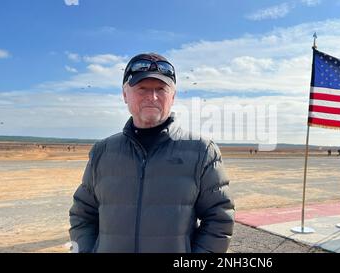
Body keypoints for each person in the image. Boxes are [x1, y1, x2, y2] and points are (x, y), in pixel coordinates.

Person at [69, 53, 235, 253]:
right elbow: (82, 215)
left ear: (172, 96)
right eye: (142, 88)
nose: (152, 97)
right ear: (125, 94)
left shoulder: (201, 151)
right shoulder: (102, 152)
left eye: (161, 89)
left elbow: (219, 219)